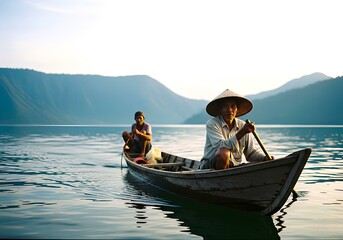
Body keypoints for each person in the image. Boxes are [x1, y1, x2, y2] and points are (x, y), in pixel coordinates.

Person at [199, 89, 274, 170]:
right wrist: (241, 133)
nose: (229, 110)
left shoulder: (243, 126)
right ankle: (221, 180)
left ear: (237, 109)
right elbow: (220, 147)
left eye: (233, 106)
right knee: (224, 153)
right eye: (225, 106)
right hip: (210, 166)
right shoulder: (212, 123)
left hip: (234, 167)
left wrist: (264, 158)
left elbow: (251, 154)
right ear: (220, 109)